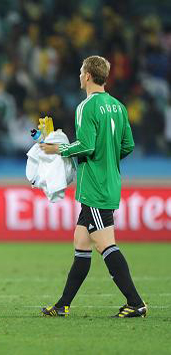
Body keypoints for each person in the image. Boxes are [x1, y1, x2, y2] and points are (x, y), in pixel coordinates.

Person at [39, 55, 146, 318]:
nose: (79, 76)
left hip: (95, 187)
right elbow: (128, 145)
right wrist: (108, 159)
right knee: (81, 243)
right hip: (108, 182)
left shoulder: (86, 107)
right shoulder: (119, 106)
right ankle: (63, 304)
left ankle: (135, 302)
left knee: (106, 245)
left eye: (80, 72)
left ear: (87, 75)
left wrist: (57, 150)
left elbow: (86, 146)